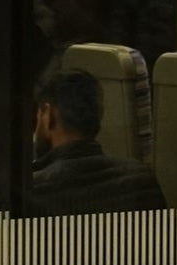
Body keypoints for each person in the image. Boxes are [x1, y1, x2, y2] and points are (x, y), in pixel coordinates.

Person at [24, 67, 165, 215]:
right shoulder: (143, 181)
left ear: (48, 114)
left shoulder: (33, 191)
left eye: (39, 115)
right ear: (99, 115)